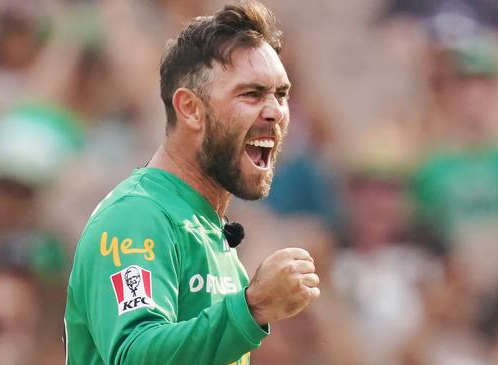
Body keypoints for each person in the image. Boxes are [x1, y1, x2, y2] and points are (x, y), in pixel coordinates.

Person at [63, 2, 320, 365]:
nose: (276, 111)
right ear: (190, 108)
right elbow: (133, 355)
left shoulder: (212, 235)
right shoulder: (137, 218)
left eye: (281, 95)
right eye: (251, 94)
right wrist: (253, 306)